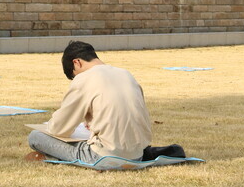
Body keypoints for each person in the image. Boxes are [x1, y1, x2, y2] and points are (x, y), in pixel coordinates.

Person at [26, 41, 184, 168]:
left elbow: (59, 128)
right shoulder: (126, 74)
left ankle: (50, 156)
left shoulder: (84, 78)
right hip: (138, 154)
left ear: (77, 63)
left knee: (36, 137)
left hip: (104, 155)